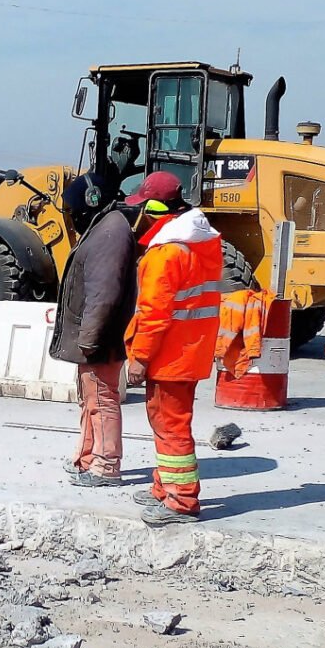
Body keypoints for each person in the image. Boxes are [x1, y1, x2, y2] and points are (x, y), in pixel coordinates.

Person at [124, 171, 223, 525]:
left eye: (145, 208)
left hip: (169, 356)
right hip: (188, 352)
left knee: (171, 427)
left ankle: (181, 500)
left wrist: (140, 358)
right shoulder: (201, 245)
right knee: (167, 423)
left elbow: (153, 314)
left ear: (154, 209)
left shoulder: (165, 254)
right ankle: (163, 487)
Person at [49, 172, 136, 488]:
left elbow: (103, 294)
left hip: (102, 339)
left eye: (74, 211)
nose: (73, 218)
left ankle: (106, 465)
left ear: (90, 201)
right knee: (91, 401)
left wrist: (89, 338)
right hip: (97, 337)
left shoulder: (110, 232)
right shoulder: (105, 227)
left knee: (102, 400)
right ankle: (86, 458)